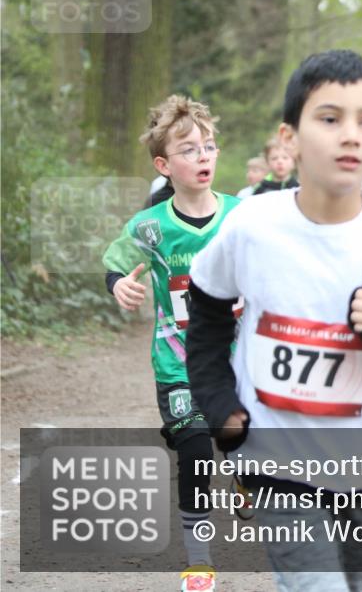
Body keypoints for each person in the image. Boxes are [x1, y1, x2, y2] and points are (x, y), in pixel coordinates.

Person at [185, 50, 362, 592]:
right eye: (330, 119)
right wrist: (219, 406)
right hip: (276, 463)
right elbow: (207, 312)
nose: (350, 135)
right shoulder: (253, 226)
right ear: (289, 137)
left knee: (353, 583)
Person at [102, 94, 241, 592]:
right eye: (188, 150)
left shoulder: (242, 217)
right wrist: (118, 283)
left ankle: (245, 475)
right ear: (164, 165)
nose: (202, 156)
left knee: (243, 448)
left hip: (239, 364)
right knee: (196, 450)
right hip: (177, 363)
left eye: (209, 146)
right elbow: (116, 263)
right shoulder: (150, 226)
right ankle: (199, 560)